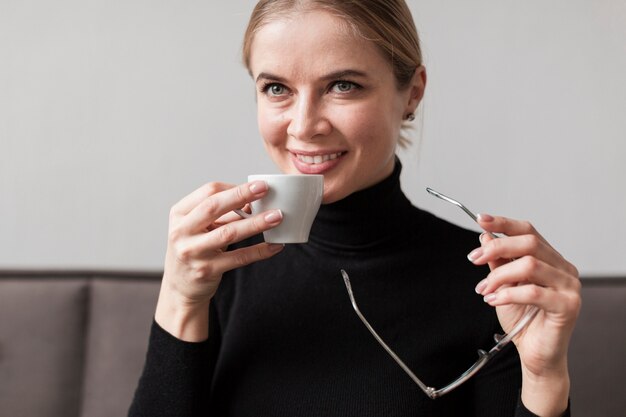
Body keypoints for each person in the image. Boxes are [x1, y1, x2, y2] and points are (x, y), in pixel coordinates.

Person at [129, 1, 580, 416]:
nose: (304, 126)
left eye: (342, 86)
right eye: (276, 88)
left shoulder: (491, 285)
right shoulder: (215, 269)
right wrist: (179, 298)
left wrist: (544, 379)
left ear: (412, 93)